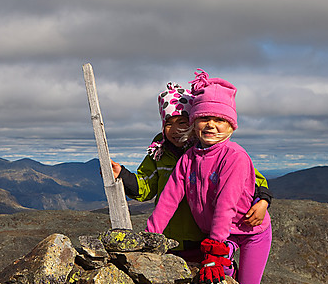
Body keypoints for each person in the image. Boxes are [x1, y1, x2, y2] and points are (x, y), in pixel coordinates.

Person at [145, 69, 296, 284]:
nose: (211, 125)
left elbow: (226, 205)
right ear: (194, 122)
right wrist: (149, 236)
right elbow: (169, 198)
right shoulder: (188, 158)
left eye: (219, 119)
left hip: (250, 233)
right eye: (204, 118)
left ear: (231, 125)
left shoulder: (235, 157)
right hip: (221, 235)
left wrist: (215, 252)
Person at [111, 82, 272, 262]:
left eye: (182, 122)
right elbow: (148, 188)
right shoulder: (160, 152)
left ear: (193, 124)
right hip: (170, 237)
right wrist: (123, 175)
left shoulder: (212, 151)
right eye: (169, 123)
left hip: (201, 237)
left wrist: (263, 200)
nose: (176, 129)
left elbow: (250, 180)